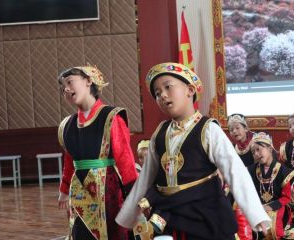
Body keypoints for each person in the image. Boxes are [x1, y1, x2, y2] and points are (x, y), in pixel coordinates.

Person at [115, 62, 270, 240]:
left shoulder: (208, 129)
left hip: (205, 216)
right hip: (169, 216)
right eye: (157, 94)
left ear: (189, 90)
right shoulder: (160, 132)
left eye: (168, 87)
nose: (163, 95)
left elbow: (235, 171)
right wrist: (128, 215)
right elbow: (145, 178)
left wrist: (256, 215)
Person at [57, 65, 138, 240]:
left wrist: (135, 196)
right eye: (63, 87)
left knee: (111, 233)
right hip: (78, 189)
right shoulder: (67, 125)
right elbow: (70, 161)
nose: (66, 89)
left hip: (108, 190)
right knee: (80, 233)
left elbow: (125, 160)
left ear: (88, 81)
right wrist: (64, 190)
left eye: (70, 82)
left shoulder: (111, 116)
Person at [248, 132, 294, 239]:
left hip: (277, 207)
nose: (256, 154)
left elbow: (286, 198)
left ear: (269, 148)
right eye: (253, 152)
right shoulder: (252, 170)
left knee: (272, 230)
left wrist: (270, 206)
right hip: (259, 206)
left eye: (258, 149)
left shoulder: (284, 172)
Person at [227, 114, 255, 240]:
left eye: (237, 128)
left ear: (246, 128)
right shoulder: (233, 147)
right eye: (231, 129)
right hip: (238, 182)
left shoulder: (256, 142)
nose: (234, 131)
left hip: (256, 181)